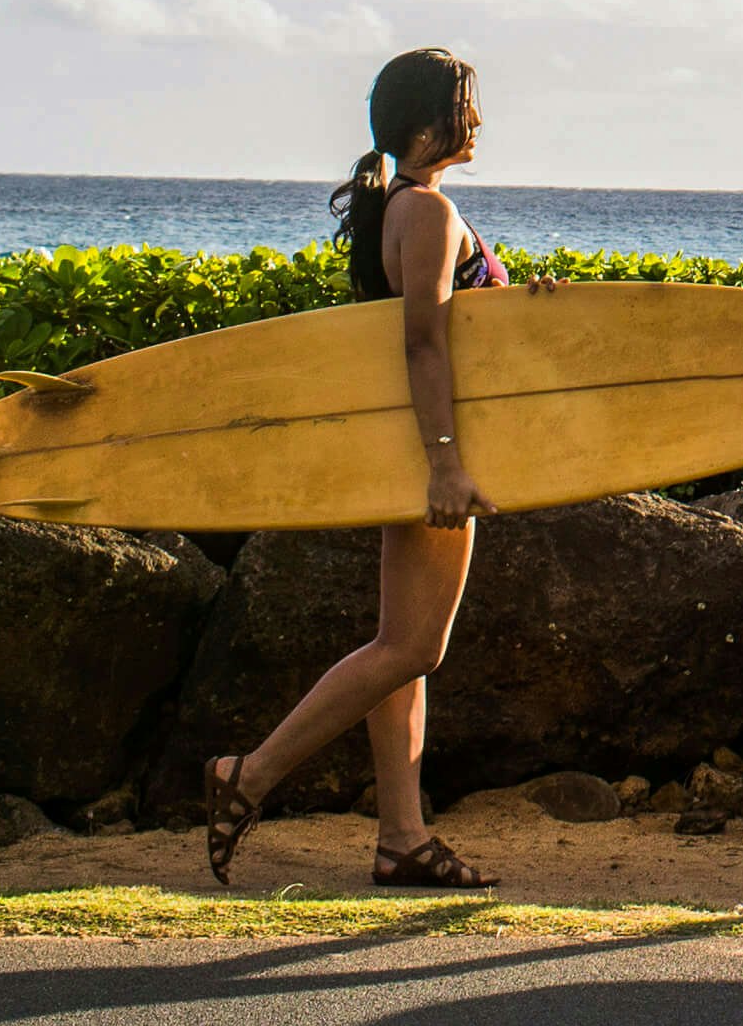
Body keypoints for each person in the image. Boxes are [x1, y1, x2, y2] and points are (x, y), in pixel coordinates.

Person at [201, 45, 552, 887]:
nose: (479, 122)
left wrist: (519, 309)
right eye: (468, 107)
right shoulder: (427, 215)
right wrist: (445, 465)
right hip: (434, 449)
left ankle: (402, 838)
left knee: (402, 645)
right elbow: (423, 341)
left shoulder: (401, 204)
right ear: (431, 123)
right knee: (415, 648)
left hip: (409, 444)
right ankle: (247, 776)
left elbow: (456, 331)